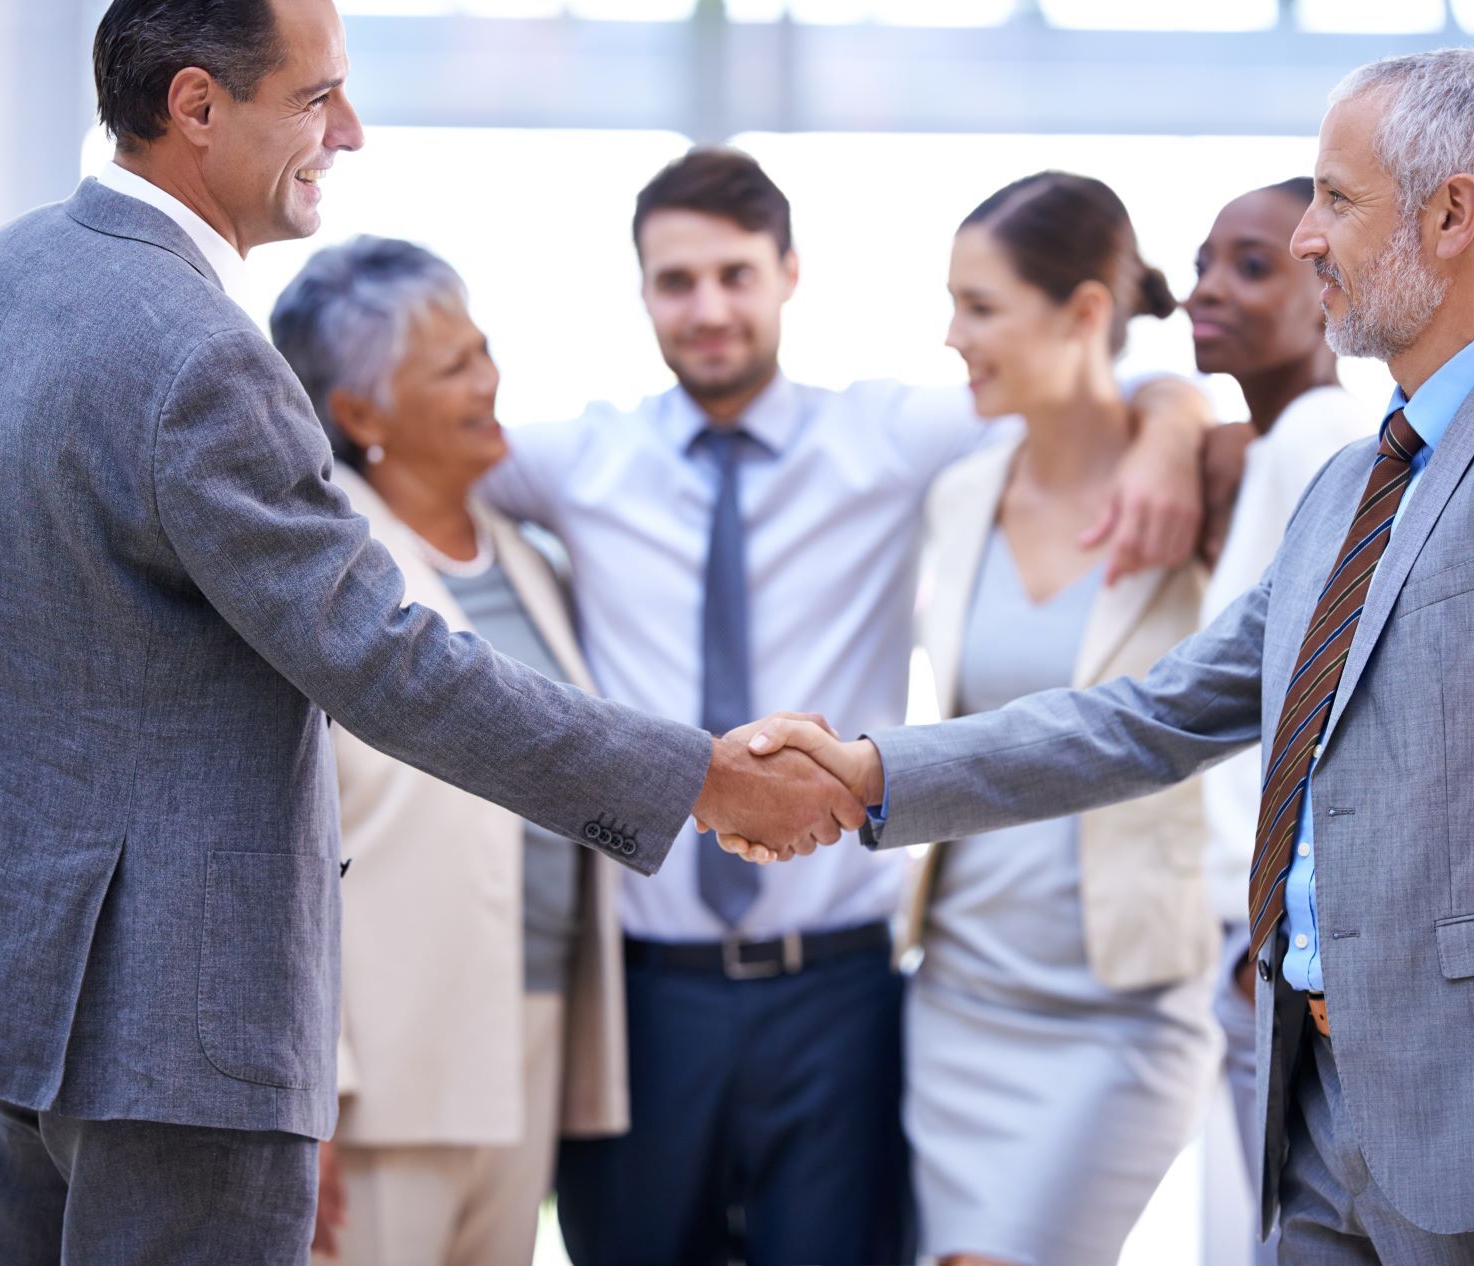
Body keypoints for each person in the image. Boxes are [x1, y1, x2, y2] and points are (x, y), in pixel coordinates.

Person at [0, 3, 855, 1261]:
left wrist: (57, 837)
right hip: (183, 1017)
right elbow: (389, 662)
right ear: (195, 107)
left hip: (26, 981)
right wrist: (701, 779)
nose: (349, 130)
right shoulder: (203, 356)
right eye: (316, 97)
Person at [729, 48, 1474, 1265]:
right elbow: (1152, 716)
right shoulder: (1346, 488)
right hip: (1311, 1110)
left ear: (1454, 214)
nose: (1310, 237)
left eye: (1336, 199)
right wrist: (871, 770)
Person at [478, 147, 1214, 1266]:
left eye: (735, 274)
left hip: (843, 990)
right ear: (641, 294)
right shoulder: (583, 459)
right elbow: (399, 450)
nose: (709, 308)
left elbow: (1083, 377)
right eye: (676, 282)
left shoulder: (889, 440)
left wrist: (1171, 427)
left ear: (788, 273)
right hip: (642, 998)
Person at [266, 236, 629, 1266]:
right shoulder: (320, 574)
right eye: (451, 368)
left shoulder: (527, 559)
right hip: (381, 1064)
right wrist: (314, 1088)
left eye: (484, 351)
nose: (490, 383)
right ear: (364, 418)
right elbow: (272, 841)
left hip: (530, 1027)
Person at [899, 171, 1222, 1266]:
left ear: (1088, 312)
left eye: (980, 307)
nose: (953, 337)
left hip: (1121, 1009)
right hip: (959, 993)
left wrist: (1178, 422)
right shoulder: (959, 496)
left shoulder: (1200, 489)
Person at [1183, 176, 1374, 1263]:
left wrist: (1294, 939)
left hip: (1289, 959)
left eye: (1252, 266)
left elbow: (1339, 719)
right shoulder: (1269, 450)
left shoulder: (1325, 445)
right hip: (1253, 946)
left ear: (1326, 292)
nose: (1210, 289)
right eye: (1204, 262)